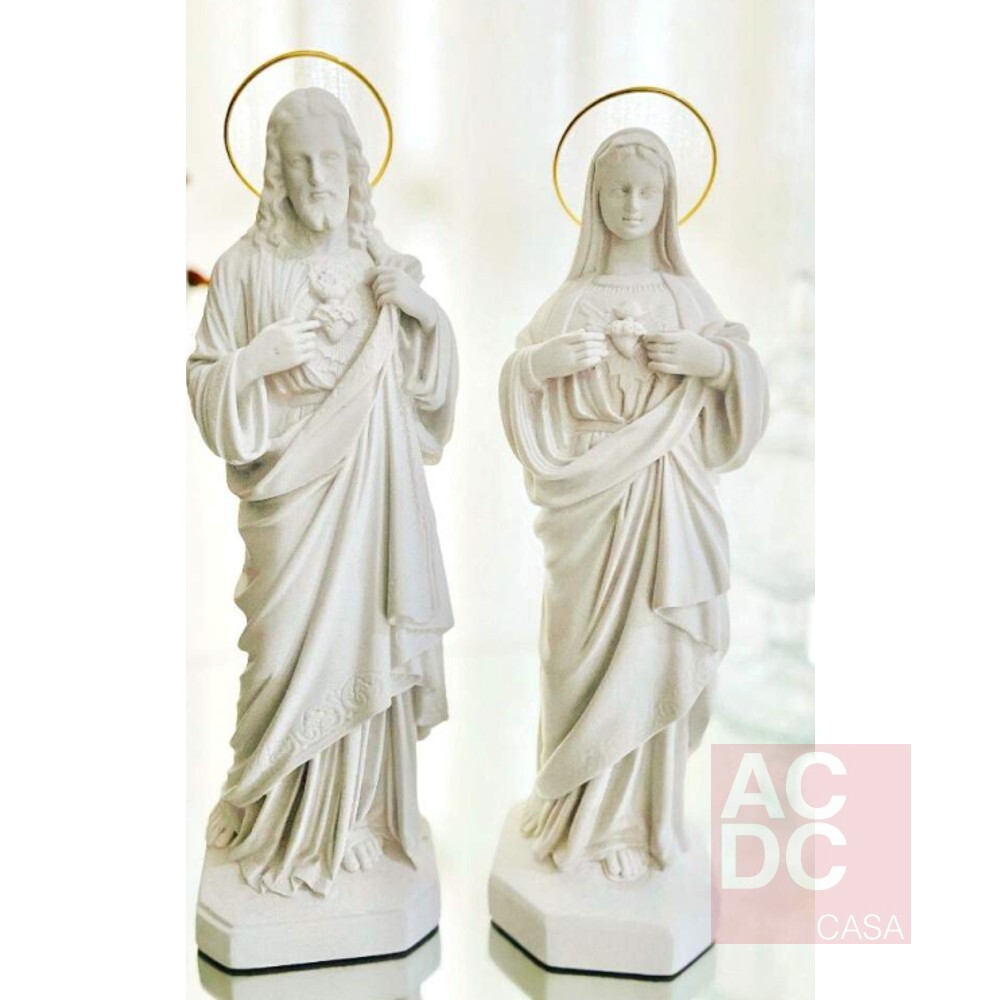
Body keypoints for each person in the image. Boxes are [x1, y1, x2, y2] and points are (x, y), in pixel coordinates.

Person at [188, 88, 457, 898]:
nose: (317, 177)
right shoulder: (244, 268)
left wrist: (421, 314)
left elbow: (428, 382)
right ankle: (270, 808)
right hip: (288, 504)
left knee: (366, 634)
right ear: (275, 173)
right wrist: (260, 358)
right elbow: (205, 380)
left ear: (353, 168)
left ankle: (357, 817)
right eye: (299, 161)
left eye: (330, 159)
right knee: (280, 656)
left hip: (372, 498)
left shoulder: (380, 261)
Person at [499, 128, 768, 882]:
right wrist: (540, 365)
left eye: (647, 191)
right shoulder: (570, 302)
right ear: (594, 197)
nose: (632, 204)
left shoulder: (686, 297)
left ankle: (640, 823)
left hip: (668, 503)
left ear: (668, 200)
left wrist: (714, 360)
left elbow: (742, 375)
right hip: (588, 513)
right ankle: (573, 811)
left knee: (656, 646)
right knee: (574, 657)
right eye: (618, 189)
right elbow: (517, 381)